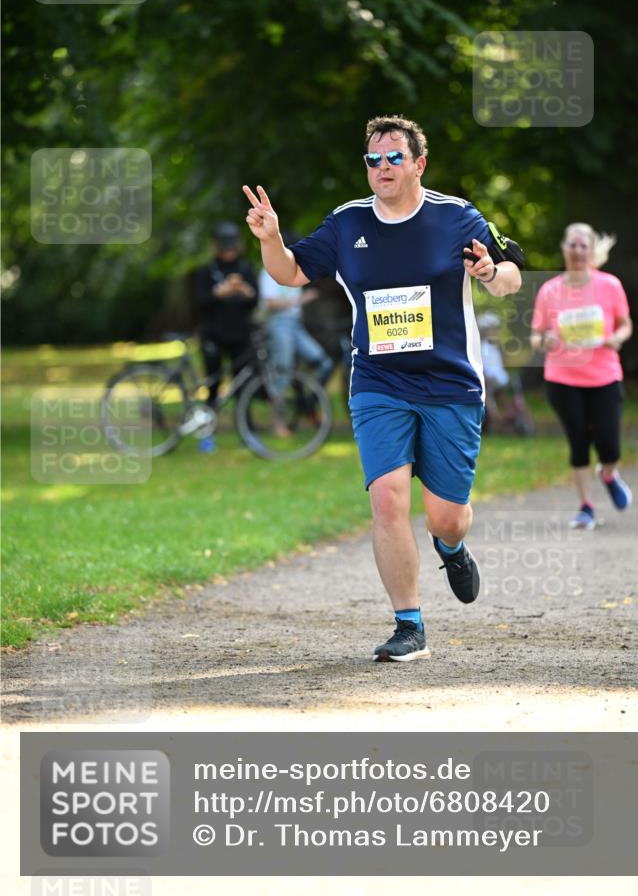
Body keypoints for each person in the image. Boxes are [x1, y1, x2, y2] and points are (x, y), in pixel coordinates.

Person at [243, 115, 523, 662]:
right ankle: (409, 624)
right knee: (388, 499)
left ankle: (452, 545)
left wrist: (490, 271)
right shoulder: (348, 224)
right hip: (378, 381)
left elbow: (512, 274)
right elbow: (290, 273)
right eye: (373, 160)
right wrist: (272, 238)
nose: (382, 167)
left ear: (419, 164)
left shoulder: (455, 215)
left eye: (394, 157)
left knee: (445, 514)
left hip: (450, 383)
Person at [530, 222, 633, 530]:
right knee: (578, 442)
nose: (576, 251)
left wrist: (618, 337)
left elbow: (626, 323)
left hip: (604, 374)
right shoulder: (550, 290)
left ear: (591, 251)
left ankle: (609, 474)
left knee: (609, 445)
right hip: (562, 378)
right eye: (571, 245)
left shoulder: (610, 285)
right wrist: (544, 341)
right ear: (564, 248)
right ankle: (586, 507)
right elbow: (536, 335)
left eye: (582, 246)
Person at [258, 239, 334, 438]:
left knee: (323, 363)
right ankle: (278, 423)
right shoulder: (269, 270)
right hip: (279, 325)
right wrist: (299, 300)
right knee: (282, 372)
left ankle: (308, 405)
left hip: (295, 325)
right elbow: (270, 302)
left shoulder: (297, 269)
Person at [195, 221, 258, 452]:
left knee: (243, 386)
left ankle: (246, 434)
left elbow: (255, 300)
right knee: (213, 387)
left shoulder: (245, 268)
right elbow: (200, 302)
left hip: (240, 335)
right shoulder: (207, 270)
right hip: (213, 334)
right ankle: (207, 435)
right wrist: (219, 292)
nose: (229, 251)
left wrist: (244, 290)